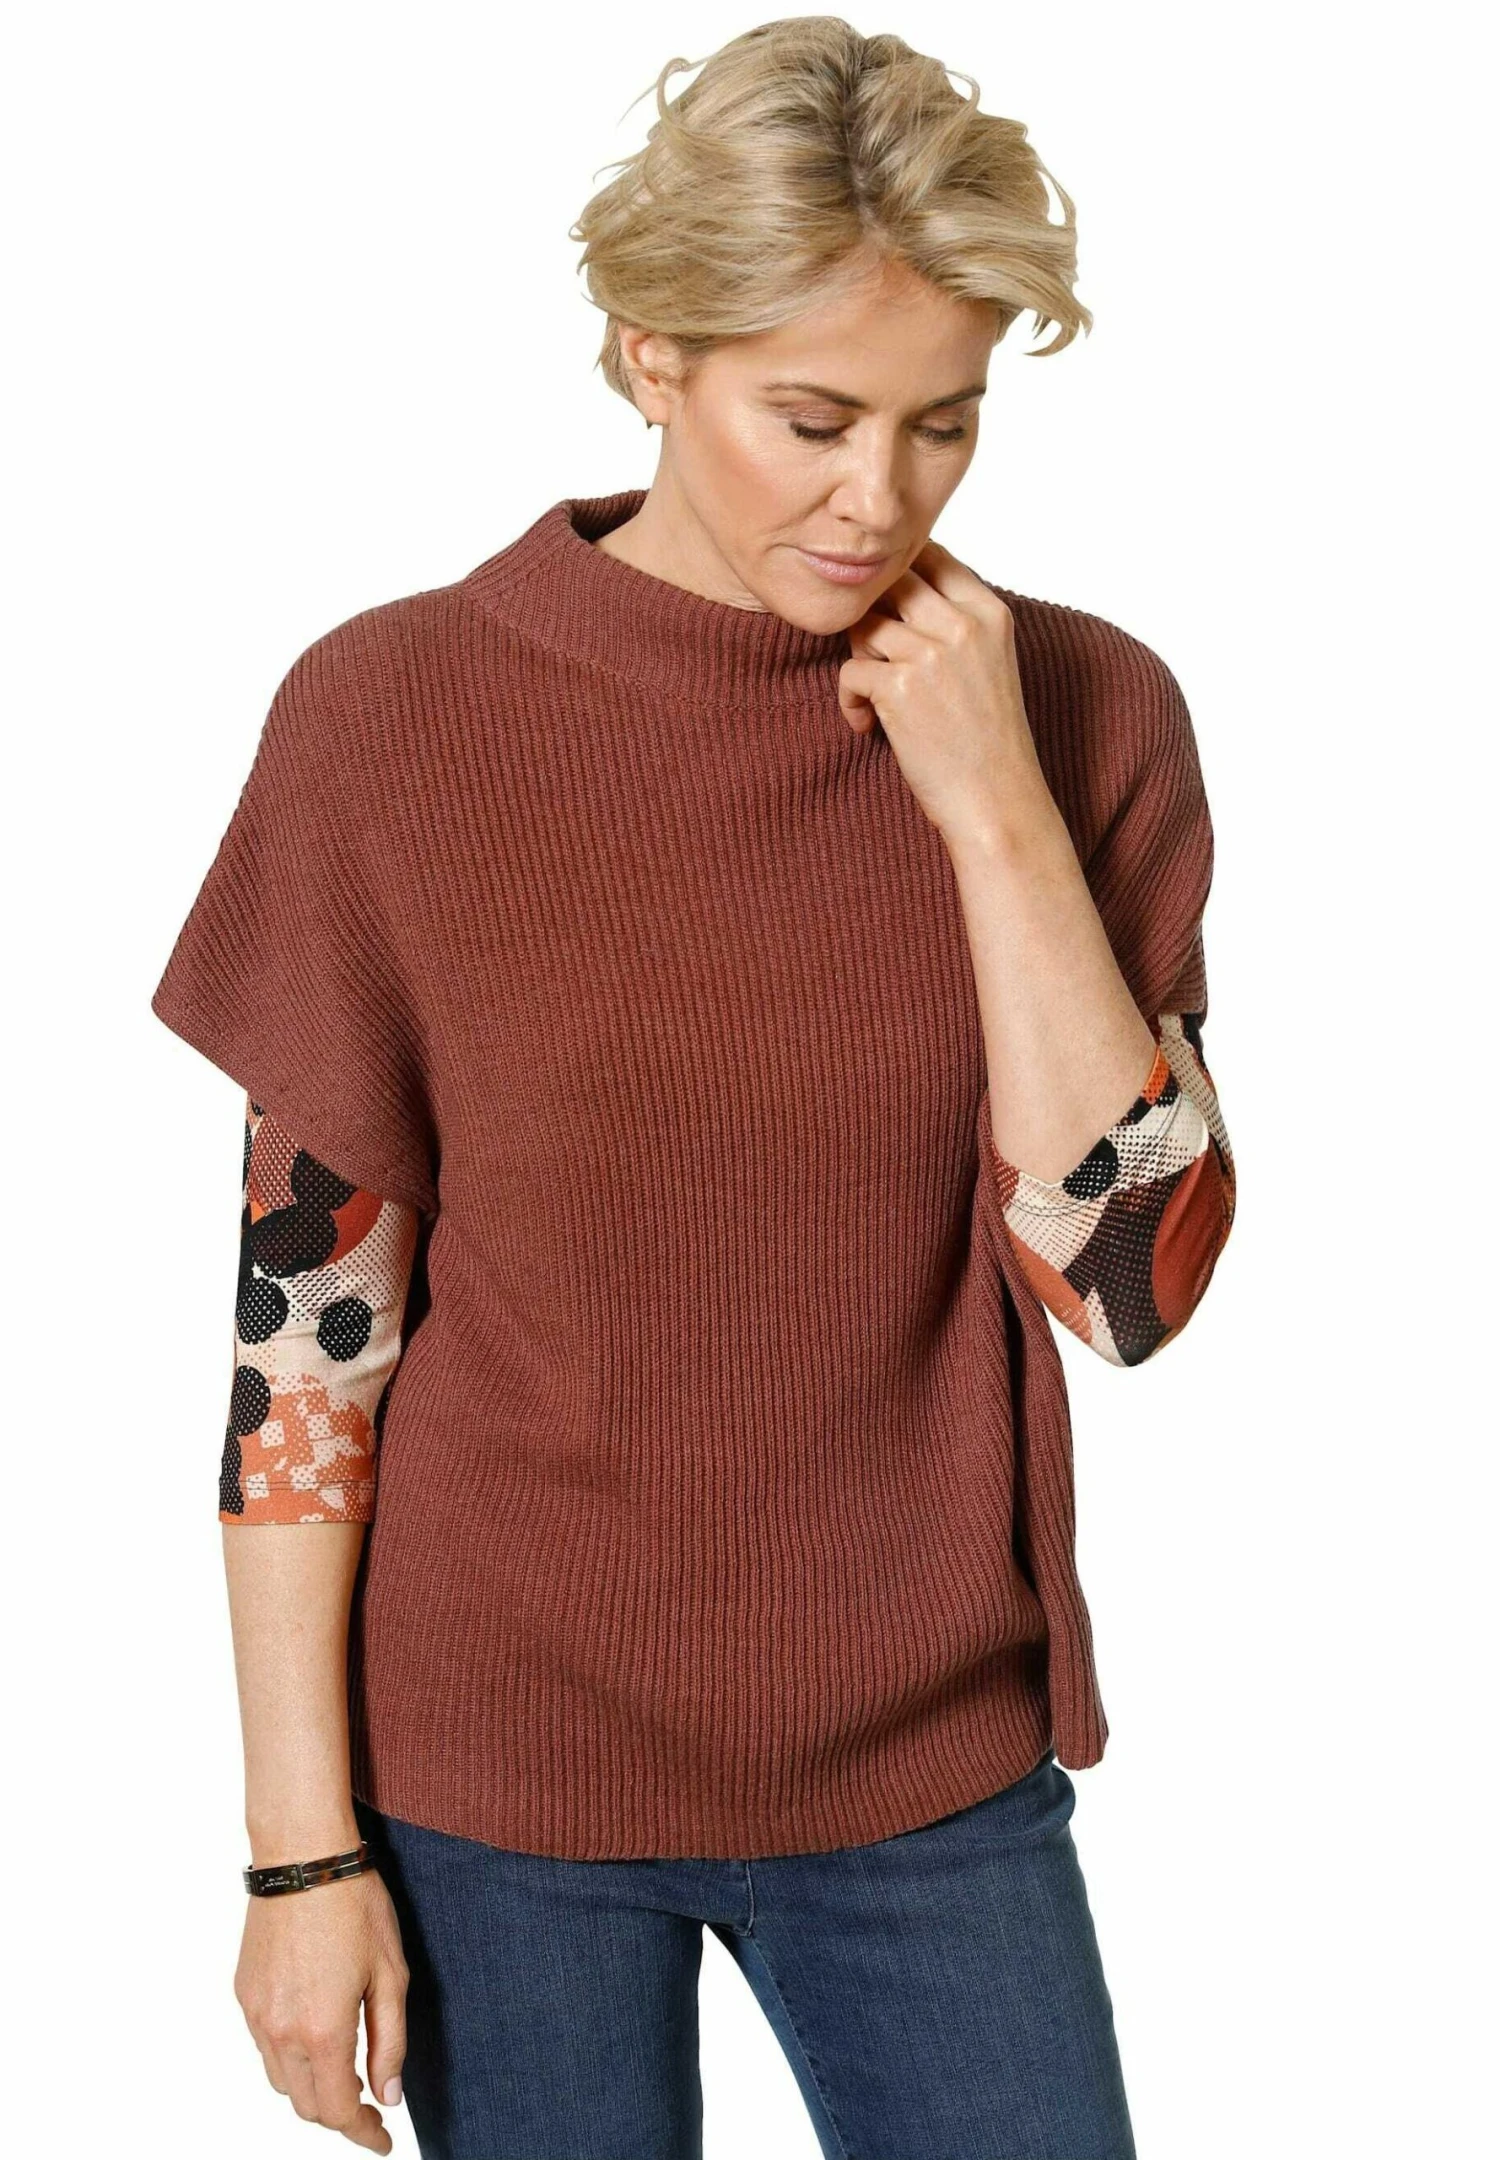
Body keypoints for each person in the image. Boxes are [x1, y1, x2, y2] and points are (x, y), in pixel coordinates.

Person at [151, 18, 1235, 2159]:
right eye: (812, 420)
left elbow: (1127, 1288)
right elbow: (308, 1350)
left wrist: (993, 806)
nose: (879, 500)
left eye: (944, 425)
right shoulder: (393, 717)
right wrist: (297, 1856)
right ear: (651, 355)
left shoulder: (1083, 708)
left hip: (928, 1763)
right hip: (494, 1778)